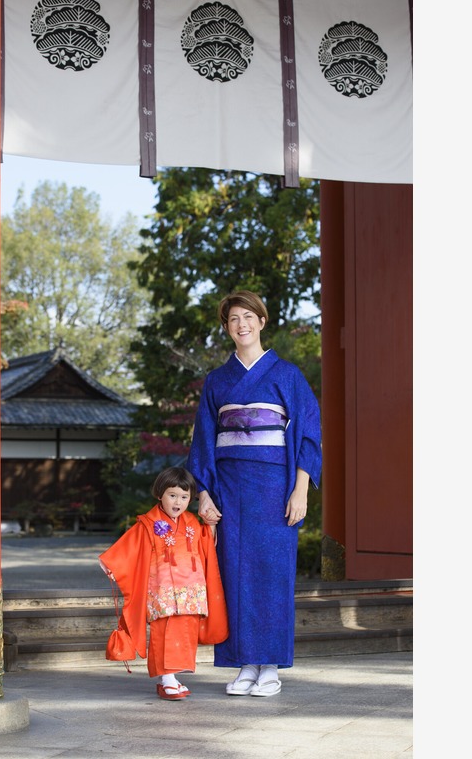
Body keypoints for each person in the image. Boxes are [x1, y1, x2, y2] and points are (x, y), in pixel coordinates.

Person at [187, 290, 322, 697]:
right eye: (233, 319)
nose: (241, 325)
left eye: (248, 317)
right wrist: (204, 494)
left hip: (274, 488)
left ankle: (271, 667)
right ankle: (244, 664)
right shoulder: (218, 380)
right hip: (230, 489)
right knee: (233, 574)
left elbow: (308, 433)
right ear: (226, 328)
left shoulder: (287, 375)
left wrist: (300, 490)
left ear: (262, 321)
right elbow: (204, 440)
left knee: (272, 574)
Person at [98, 466, 228, 700]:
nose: (178, 502)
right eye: (172, 495)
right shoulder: (149, 523)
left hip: (190, 591)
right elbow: (131, 546)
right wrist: (113, 563)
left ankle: (170, 677)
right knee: (164, 634)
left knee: (184, 632)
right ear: (160, 494)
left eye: (184, 497)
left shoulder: (191, 522)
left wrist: (210, 525)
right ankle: (167, 678)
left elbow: (206, 544)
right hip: (163, 592)